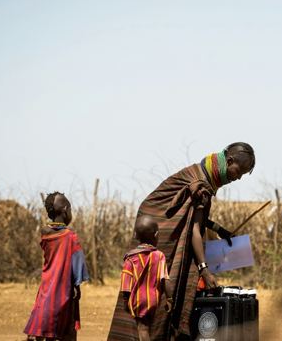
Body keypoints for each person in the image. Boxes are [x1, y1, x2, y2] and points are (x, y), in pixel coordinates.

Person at [107, 142, 256, 341]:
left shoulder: (201, 175)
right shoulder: (200, 184)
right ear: (229, 161)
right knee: (156, 292)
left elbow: (193, 216)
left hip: (159, 230)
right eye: (239, 172)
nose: (238, 178)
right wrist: (204, 269)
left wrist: (220, 230)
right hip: (158, 233)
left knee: (148, 291)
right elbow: (194, 227)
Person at [24, 192, 90, 341]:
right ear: (66, 210)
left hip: (46, 287)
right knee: (63, 325)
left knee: (46, 322)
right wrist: (77, 287)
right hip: (64, 289)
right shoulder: (71, 237)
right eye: (71, 210)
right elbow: (77, 265)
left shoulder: (44, 233)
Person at [120, 218, 174, 341]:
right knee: (148, 327)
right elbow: (165, 278)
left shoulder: (131, 257)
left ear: (135, 236)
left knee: (142, 329)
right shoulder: (159, 255)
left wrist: (125, 299)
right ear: (156, 235)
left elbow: (126, 279)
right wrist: (169, 299)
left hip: (138, 300)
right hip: (154, 299)